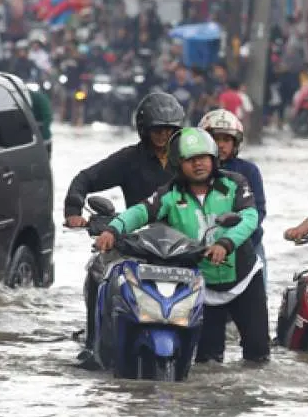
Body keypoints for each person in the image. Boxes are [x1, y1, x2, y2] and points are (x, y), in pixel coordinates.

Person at [94, 128, 268, 364]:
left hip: (244, 279)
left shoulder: (234, 183)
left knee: (258, 354)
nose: (198, 164)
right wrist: (113, 230)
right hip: (201, 285)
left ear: (213, 159)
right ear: (178, 164)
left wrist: (225, 243)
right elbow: (140, 211)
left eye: (203, 158)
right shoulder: (170, 194)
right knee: (207, 360)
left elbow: (250, 217)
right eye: (190, 160)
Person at [65, 92, 185, 365]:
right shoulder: (129, 159)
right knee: (98, 269)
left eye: (169, 130)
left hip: (184, 244)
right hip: (136, 241)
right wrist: (74, 212)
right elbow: (84, 179)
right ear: (144, 129)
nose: (163, 135)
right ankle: (94, 344)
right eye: (157, 129)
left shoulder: (190, 159)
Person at [199, 108, 267, 283]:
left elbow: (258, 211)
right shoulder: (190, 171)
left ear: (235, 143)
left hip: (247, 245)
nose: (221, 145)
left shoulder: (248, 171)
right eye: (215, 138)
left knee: (258, 299)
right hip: (202, 245)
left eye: (226, 139)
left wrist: (236, 235)